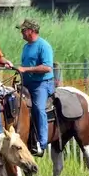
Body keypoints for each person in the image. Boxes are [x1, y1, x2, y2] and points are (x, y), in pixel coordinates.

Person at [16, 19, 55, 157]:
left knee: (38, 108)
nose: (21, 32)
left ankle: (42, 143)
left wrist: (25, 69)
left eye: (23, 30)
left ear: (31, 31)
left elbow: (47, 67)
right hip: (26, 83)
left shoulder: (44, 46)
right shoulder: (26, 47)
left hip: (41, 85)